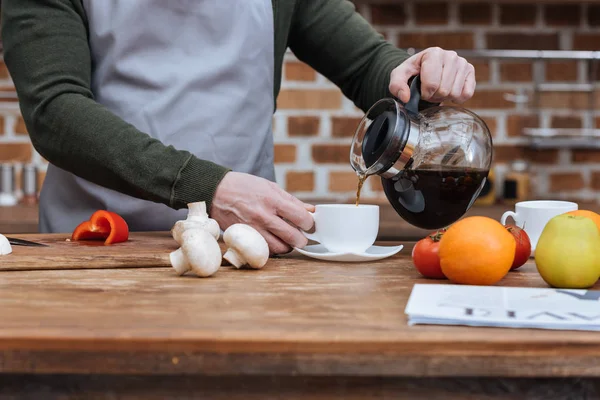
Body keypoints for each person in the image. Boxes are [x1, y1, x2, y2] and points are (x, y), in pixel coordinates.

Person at [1, 0, 476, 255]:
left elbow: (366, 63)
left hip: (240, 248)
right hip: (95, 246)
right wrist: (208, 188)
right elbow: (55, 110)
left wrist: (412, 72)